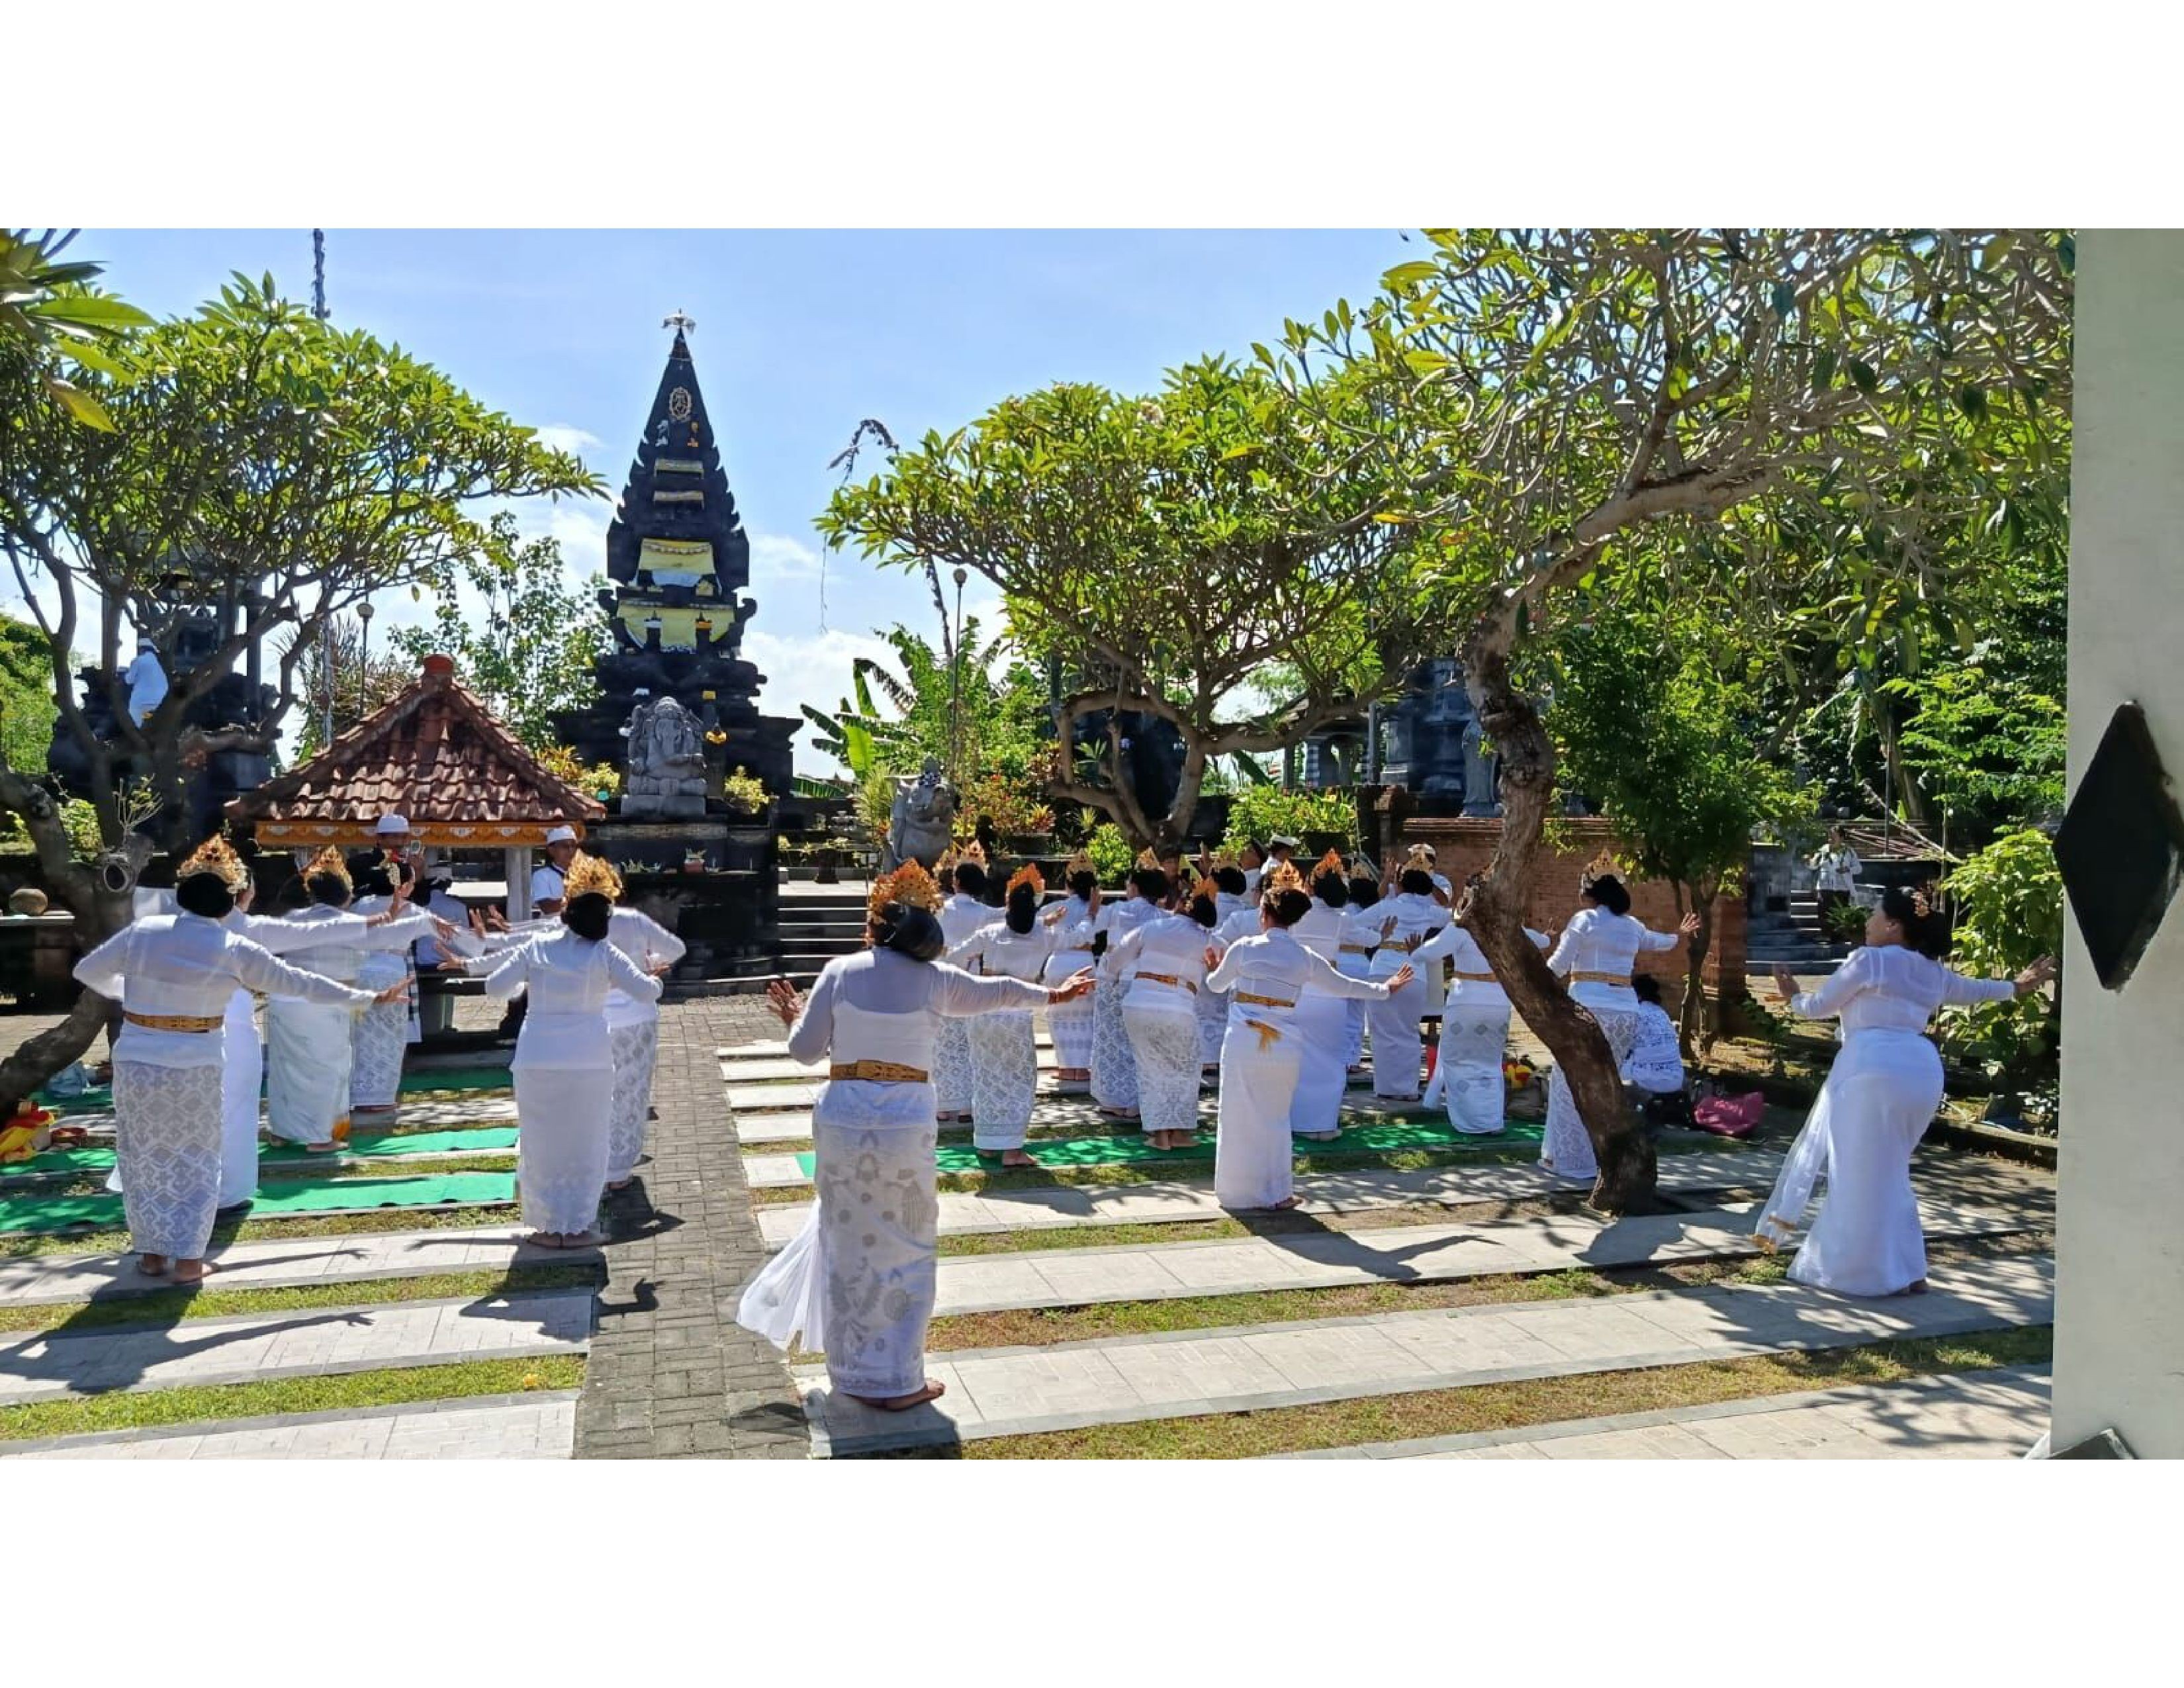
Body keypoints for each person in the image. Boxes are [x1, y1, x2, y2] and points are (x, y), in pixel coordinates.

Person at [737, 864, 1095, 1411]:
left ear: (875, 925)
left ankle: (853, 1373)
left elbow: (804, 1051)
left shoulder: (840, 971)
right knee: (906, 1246)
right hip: (904, 1120)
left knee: (848, 1242)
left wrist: (794, 1016)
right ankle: (896, 1379)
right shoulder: (935, 981)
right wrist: (1055, 997)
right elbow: (996, 990)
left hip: (845, 1115)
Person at [71, 847, 403, 1283]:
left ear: (180, 897)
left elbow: (87, 971)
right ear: (231, 903)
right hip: (194, 1060)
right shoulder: (231, 945)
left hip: (138, 1056)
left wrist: (133, 994)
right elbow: (298, 982)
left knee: (142, 1152)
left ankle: (152, 1253)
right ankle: (188, 1260)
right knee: (197, 1154)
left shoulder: (144, 931)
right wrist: (365, 997)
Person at [1754, 888, 2052, 1297]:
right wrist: (2017, 986)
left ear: (1893, 925)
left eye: (1873, 915)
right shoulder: (1932, 971)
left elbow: (1819, 1006)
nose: (1866, 922)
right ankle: (1910, 1269)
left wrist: (1792, 996)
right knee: (1891, 1171)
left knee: (1858, 1174)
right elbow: (1977, 990)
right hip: (1921, 1070)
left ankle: (1861, 1274)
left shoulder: (1869, 961)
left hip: (1872, 1068)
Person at [473, 853, 666, 1246]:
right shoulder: (603, 954)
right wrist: (653, 976)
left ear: (565, 907)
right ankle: (576, 1225)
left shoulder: (537, 947)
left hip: (537, 1055)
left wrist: (526, 985)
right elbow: (646, 991)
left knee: (542, 1141)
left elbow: (494, 987)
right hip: (588, 1057)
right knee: (586, 1141)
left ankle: (547, 1226)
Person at [1204, 864, 1409, 1210]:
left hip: (1243, 1040)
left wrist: (1213, 969)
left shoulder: (1244, 948)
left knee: (1239, 1113)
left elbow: (1215, 985)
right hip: (1283, 1044)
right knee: (1277, 1116)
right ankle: (1277, 1192)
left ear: (1264, 914)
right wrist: (1384, 989)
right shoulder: (1304, 957)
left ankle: (1238, 1192)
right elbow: (1344, 986)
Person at [264, 849, 440, 1152]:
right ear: (346, 896)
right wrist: (417, 921)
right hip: (326, 1001)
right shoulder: (348, 924)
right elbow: (382, 940)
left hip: (285, 1001)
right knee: (328, 1068)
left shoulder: (294, 919)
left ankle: (281, 1131)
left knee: (286, 1067)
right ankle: (320, 1136)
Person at [1540, 855, 1700, 1182]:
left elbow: (1557, 966)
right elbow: (1662, 943)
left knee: (1568, 1081)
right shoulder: (1632, 926)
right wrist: (1680, 935)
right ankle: (1603, 1157)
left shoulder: (1584, 920)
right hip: (1625, 1013)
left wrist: (1523, 975)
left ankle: (1569, 1160)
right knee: (1604, 1083)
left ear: (1589, 892)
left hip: (1587, 1009)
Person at [950, 864, 1059, 1166]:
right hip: (1017, 1014)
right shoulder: (1044, 936)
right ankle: (1011, 1149)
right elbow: (1075, 938)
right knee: (1018, 1079)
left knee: (985, 1074)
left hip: (984, 1009)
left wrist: (973, 969)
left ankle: (987, 1143)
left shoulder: (992, 933)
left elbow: (956, 954)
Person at [1409, 910, 1551, 1135]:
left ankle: (1472, 1121)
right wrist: (1546, 935)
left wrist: (1414, 953)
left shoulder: (1461, 929)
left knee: (1457, 1060)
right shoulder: (1508, 927)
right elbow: (1542, 941)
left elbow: (1427, 952)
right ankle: (1492, 1120)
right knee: (1490, 1063)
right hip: (1498, 1003)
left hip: (1466, 1003)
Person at [1111, 872, 1218, 1150]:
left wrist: (1110, 978)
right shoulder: (1210, 941)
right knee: (1184, 1069)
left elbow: (1117, 957)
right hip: (1177, 1007)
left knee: (1151, 1069)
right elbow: (1223, 976)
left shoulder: (1154, 928)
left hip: (1139, 1003)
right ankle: (1179, 1133)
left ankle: (1160, 1134)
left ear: (1181, 905)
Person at [603, 896, 686, 1190]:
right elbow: (676, 949)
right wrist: (651, 966)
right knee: (631, 1091)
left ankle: (591, 1159)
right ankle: (618, 1168)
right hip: (637, 1014)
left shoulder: (568, 923)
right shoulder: (631, 919)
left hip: (590, 1016)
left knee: (593, 1090)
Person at [1366, 848, 1453, 1102]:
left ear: (1401, 882)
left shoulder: (1388, 907)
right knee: (1408, 1031)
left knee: (1382, 1032)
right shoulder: (1429, 912)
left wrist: (1378, 937)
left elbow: (1353, 924)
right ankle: (1407, 1089)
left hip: (1383, 969)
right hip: (1414, 969)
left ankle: (1386, 1089)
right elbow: (1458, 919)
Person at [1285, 851, 1357, 1141]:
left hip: (1300, 993)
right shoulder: (1341, 919)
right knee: (1330, 1059)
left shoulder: (1295, 914)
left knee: (1298, 1058)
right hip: (1331, 995)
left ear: (1311, 885)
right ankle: (1324, 1122)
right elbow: (1371, 938)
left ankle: (1299, 1121)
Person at [1089, 855, 1166, 1120]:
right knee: (1141, 1043)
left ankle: (1113, 1099)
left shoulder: (1116, 910)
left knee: (1111, 1040)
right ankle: (1137, 1099)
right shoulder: (1162, 916)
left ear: (1133, 887)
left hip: (1114, 980)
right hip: (1146, 983)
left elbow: (1092, 930)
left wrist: (1092, 910)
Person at [349, 859, 421, 1117]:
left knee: (360, 1033)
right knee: (390, 1036)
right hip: (392, 973)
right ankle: (380, 1096)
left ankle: (358, 1093)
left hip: (361, 972)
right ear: (402, 886)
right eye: (411, 882)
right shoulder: (412, 910)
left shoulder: (361, 906)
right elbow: (449, 932)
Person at [933, 844, 993, 1123]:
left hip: (943, 975)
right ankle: (968, 1104)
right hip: (972, 977)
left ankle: (943, 1105)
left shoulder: (939, 908)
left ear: (956, 882)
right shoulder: (985, 913)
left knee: (943, 1042)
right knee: (971, 1042)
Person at [1040, 852, 1099, 1090]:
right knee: (1085, 1017)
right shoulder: (1096, 909)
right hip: (1084, 961)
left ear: (1068, 885)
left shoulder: (1055, 907)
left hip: (1058, 962)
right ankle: (1082, 1068)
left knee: (1060, 1014)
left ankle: (1066, 1066)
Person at [1334, 856, 1383, 1074]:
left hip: (1340, 963)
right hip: (1363, 964)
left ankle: (1341, 1057)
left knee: (1340, 1015)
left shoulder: (1339, 911)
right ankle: (1352, 1059)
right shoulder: (1373, 912)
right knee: (1356, 1015)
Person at [1621, 974, 1688, 1119]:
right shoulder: (1661, 1013)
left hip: (1647, 1080)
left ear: (1635, 994)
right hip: (1676, 1078)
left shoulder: (1634, 1014)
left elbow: (1623, 1045)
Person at [1810, 827, 1862, 927]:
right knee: (1824, 914)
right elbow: (1813, 866)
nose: (1831, 839)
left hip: (1842, 888)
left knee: (1841, 915)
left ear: (1842, 838)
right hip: (1825, 888)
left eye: (1834, 836)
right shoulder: (1822, 850)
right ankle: (1826, 936)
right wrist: (1810, 861)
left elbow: (1859, 869)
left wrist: (1848, 869)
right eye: (1830, 836)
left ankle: (1839, 937)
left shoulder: (1849, 851)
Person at [531, 824, 580, 917]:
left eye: (573, 846)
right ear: (551, 850)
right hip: (554, 929)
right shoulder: (541, 876)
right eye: (565, 846)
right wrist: (580, 899)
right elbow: (548, 908)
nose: (570, 850)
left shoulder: (585, 873)